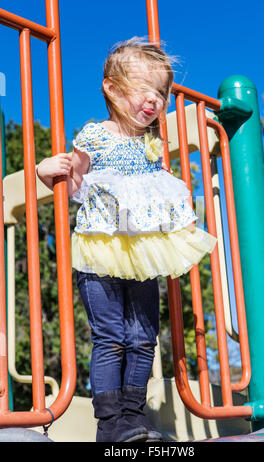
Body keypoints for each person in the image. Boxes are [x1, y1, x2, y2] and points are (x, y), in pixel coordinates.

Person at [36, 37, 217, 442]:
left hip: (143, 252)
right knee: (111, 336)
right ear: (112, 89)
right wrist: (46, 172)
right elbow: (74, 175)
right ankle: (110, 423)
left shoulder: (153, 144)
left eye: (161, 92)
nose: (154, 100)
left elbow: (156, 195)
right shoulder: (96, 135)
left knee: (142, 337)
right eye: (143, 89)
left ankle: (134, 420)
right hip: (101, 250)